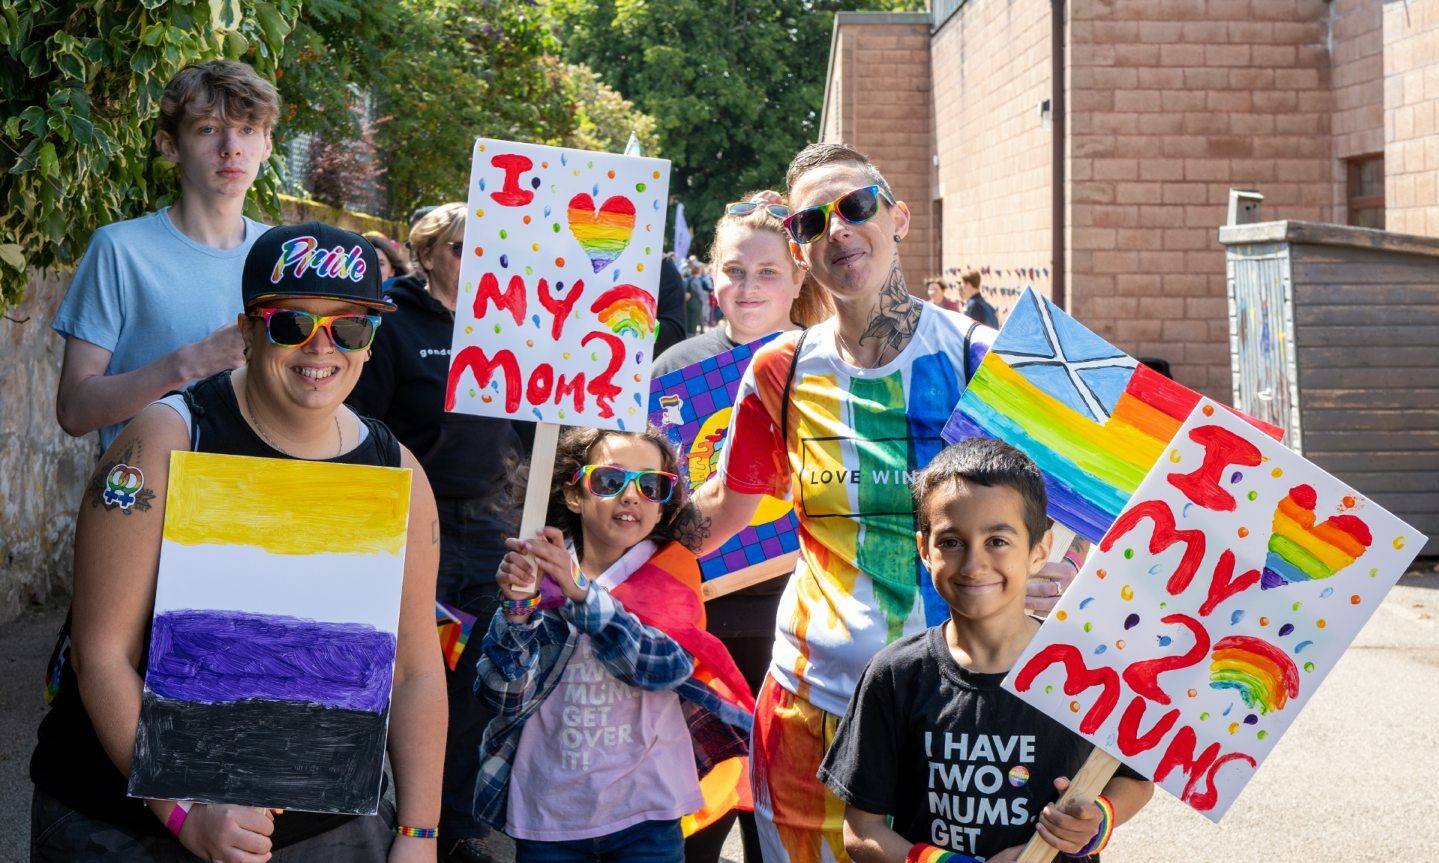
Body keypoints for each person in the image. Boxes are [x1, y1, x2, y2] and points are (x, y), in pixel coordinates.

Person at [669, 143, 1082, 862]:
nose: (837, 230)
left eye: (855, 206)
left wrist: (1067, 570)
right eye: (809, 221)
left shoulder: (982, 358)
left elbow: (1097, 497)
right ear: (799, 247)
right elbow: (720, 513)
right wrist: (607, 513)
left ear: (898, 217)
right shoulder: (781, 370)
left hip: (950, 716)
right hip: (807, 710)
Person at [30, 222, 446, 862]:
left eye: (349, 326)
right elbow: (101, 653)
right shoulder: (166, 441)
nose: (321, 347)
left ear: (371, 342)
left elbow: (417, 670)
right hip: (126, 828)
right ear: (248, 331)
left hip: (321, 833)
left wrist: (419, 834)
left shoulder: (397, 473)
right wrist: (183, 814)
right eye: (291, 323)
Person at [818, 438, 1153, 862]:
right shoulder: (894, 675)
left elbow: (1136, 781)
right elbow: (861, 831)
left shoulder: (1086, 671)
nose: (974, 564)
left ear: (1039, 551)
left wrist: (1098, 819)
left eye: (997, 541)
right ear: (924, 549)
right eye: (952, 542)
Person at [473, 426, 753, 863]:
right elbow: (504, 695)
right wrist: (516, 610)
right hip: (549, 815)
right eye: (609, 480)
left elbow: (663, 670)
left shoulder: (671, 574)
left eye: (651, 485)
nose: (631, 495)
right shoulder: (535, 574)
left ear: (663, 508)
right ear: (573, 495)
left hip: (647, 816)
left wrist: (582, 594)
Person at [652, 191, 830, 863]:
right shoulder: (674, 367)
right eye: (732, 269)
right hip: (697, 622)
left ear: (796, 277)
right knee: (692, 814)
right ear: (711, 274)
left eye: (766, 272)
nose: (747, 286)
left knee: (779, 821)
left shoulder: (826, 363)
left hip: (798, 625)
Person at [347, 203, 524, 863]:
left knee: (475, 676)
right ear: (426, 254)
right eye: (458, 248)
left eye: (484, 250)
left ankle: (453, 829)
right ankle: (376, 809)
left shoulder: (506, 316)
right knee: (401, 668)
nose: (473, 260)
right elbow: (363, 422)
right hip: (413, 519)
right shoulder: (393, 321)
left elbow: (536, 409)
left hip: (488, 518)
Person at [52, 59, 277, 451]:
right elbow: (74, 411)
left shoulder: (285, 256)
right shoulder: (120, 250)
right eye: (209, 129)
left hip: (255, 499)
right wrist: (190, 363)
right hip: (146, 502)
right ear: (169, 145)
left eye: (247, 130)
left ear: (267, 145)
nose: (232, 149)